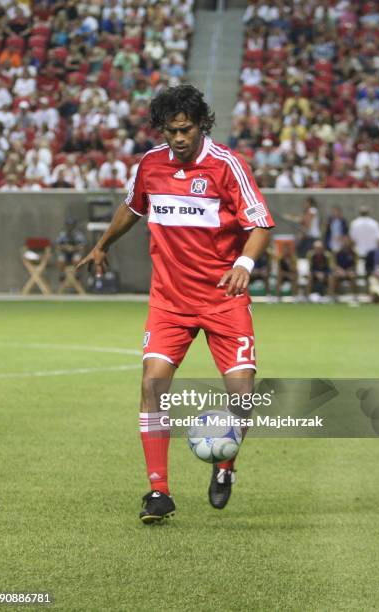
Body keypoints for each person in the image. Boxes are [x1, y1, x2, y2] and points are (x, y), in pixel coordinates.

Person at [77, 85, 274, 523]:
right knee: (152, 384)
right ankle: (157, 492)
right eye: (171, 131)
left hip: (224, 298)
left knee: (243, 395)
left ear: (202, 124)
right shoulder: (150, 164)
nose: (179, 138)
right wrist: (103, 243)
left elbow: (260, 224)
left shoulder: (228, 166)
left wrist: (243, 261)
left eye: (186, 129)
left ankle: (224, 467)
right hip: (170, 301)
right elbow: (133, 207)